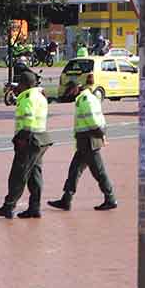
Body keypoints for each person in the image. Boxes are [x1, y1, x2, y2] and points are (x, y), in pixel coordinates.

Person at [48, 74, 117, 212]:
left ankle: (110, 198)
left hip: (89, 141)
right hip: (84, 142)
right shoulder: (86, 98)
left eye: (70, 90)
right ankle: (66, 199)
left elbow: (93, 121)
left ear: (77, 88)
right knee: (74, 171)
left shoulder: (85, 100)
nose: (69, 93)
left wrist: (101, 135)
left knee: (98, 172)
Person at [0, 71, 53, 219]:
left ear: (25, 84)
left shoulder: (27, 98)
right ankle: (34, 208)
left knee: (18, 175)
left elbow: (28, 121)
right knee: (34, 175)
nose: (18, 86)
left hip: (29, 140)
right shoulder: (40, 96)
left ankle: (9, 206)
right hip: (41, 138)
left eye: (20, 83)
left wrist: (21, 139)